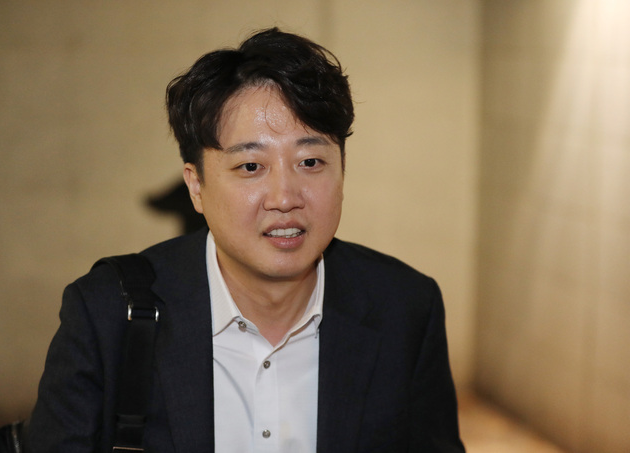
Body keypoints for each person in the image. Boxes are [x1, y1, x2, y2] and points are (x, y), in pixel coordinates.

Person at [28, 27, 465, 452]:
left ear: (343, 172)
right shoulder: (105, 314)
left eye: (310, 162)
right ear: (195, 186)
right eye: (251, 167)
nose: (285, 198)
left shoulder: (405, 309)